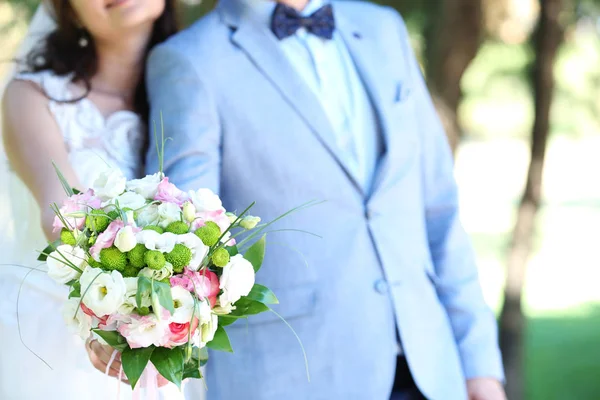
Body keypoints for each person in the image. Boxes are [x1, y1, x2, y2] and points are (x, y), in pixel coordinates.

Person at [145, 0, 507, 399]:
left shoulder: (384, 28)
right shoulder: (190, 60)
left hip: (435, 374)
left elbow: (438, 209)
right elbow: (183, 244)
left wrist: (480, 368)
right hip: (295, 381)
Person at [0, 1, 179, 398]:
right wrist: (115, 317)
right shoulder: (31, 97)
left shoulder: (184, 104)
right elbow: (61, 218)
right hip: (52, 348)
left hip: (159, 347)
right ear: (67, 10)